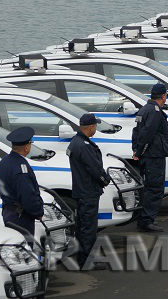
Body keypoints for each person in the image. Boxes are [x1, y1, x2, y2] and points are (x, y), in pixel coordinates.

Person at [67, 114, 110, 269]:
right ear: (91, 127)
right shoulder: (84, 146)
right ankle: (86, 260)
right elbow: (94, 168)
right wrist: (105, 180)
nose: (96, 129)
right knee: (88, 227)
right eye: (95, 126)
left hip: (81, 190)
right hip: (88, 191)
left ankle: (82, 256)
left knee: (82, 226)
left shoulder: (76, 142)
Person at [132, 83, 168, 228]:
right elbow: (147, 133)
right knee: (154, 188)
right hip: (153, 155)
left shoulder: (144, 109)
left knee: (149, 187)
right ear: (163, 96)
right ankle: (147, 220)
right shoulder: (154, 111)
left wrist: (136, 150)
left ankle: (146, 218)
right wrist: (140, 150)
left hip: (148, 155)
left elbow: (136, 132)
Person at [0, 127, 44, 238]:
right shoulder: (21, 168)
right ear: (27, 147)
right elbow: (27, 195)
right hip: (21, 217)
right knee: (24, 249)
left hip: (9, 211)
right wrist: (38, 212)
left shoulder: (5, 161)